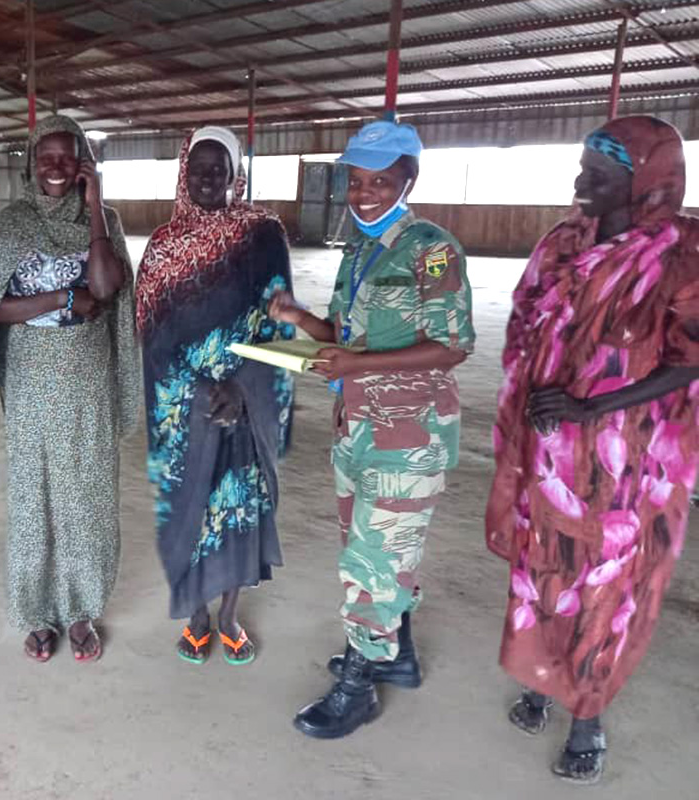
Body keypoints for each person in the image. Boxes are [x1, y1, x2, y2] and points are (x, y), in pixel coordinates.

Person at [486, 116, 699, 785]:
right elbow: (523, 319)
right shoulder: (562, 245)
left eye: (599, 177)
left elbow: (689, 358)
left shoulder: (680, 255)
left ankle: (587, 716)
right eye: (581, 170)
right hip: (548, 448)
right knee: (546, 568)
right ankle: (547, 677)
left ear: (645, 185)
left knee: (605, 586)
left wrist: (591, 405)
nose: (581, 186)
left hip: (625, 465)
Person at [269, 118, 474, 739]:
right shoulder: (358, 250)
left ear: (407, 179)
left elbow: (452, 344)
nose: (363, 194)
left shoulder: (432, 248)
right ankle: (398, 656)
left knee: (374, 562)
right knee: (376, 551)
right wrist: (298, 318)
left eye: (379, 181)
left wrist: (358, 364)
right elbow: (345, 337)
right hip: (357, 427)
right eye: (356, 181)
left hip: (408, 434)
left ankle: (358, 687)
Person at [135, 127, 294, 666]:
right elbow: (150, 331)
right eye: (197, 167)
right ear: (183, 172)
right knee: (188, 511)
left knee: (238, 512)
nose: (207, 178)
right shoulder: (161, 245)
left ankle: (228, 616)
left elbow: (279, 317)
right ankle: (197, 618)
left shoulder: (263, 235)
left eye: (217, 168)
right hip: (183, 406)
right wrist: (194, 389)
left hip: (243, 403)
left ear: (233, 174)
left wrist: (243, 384)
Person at [0, 115, 140, 663]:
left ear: (83, 163)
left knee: (88, 498)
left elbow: (104, 285)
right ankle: (37, 612)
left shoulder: (108, 219)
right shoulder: (13, 221)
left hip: (86, 384)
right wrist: (60, 302)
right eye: (45, 155)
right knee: (35, 500)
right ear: (31, 162)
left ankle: (80, 611)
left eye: (68, 156)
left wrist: (95, 201)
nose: (56, 165)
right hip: (32, 385)